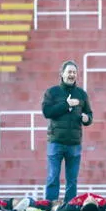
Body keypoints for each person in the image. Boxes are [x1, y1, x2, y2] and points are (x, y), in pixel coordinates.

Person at [42, 60, 93, 203]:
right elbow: (47, 112)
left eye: (74, 72)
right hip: (56, 141)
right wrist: (66, 105)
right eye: (69, 72)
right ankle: (51, 205)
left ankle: (70, 206)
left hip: (74, 143)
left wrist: (86, 119)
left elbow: (89, 114)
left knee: (72, 179)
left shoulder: (82, 94)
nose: (72, 75)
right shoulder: (52, 92)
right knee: (53, 176)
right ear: (62, 74)